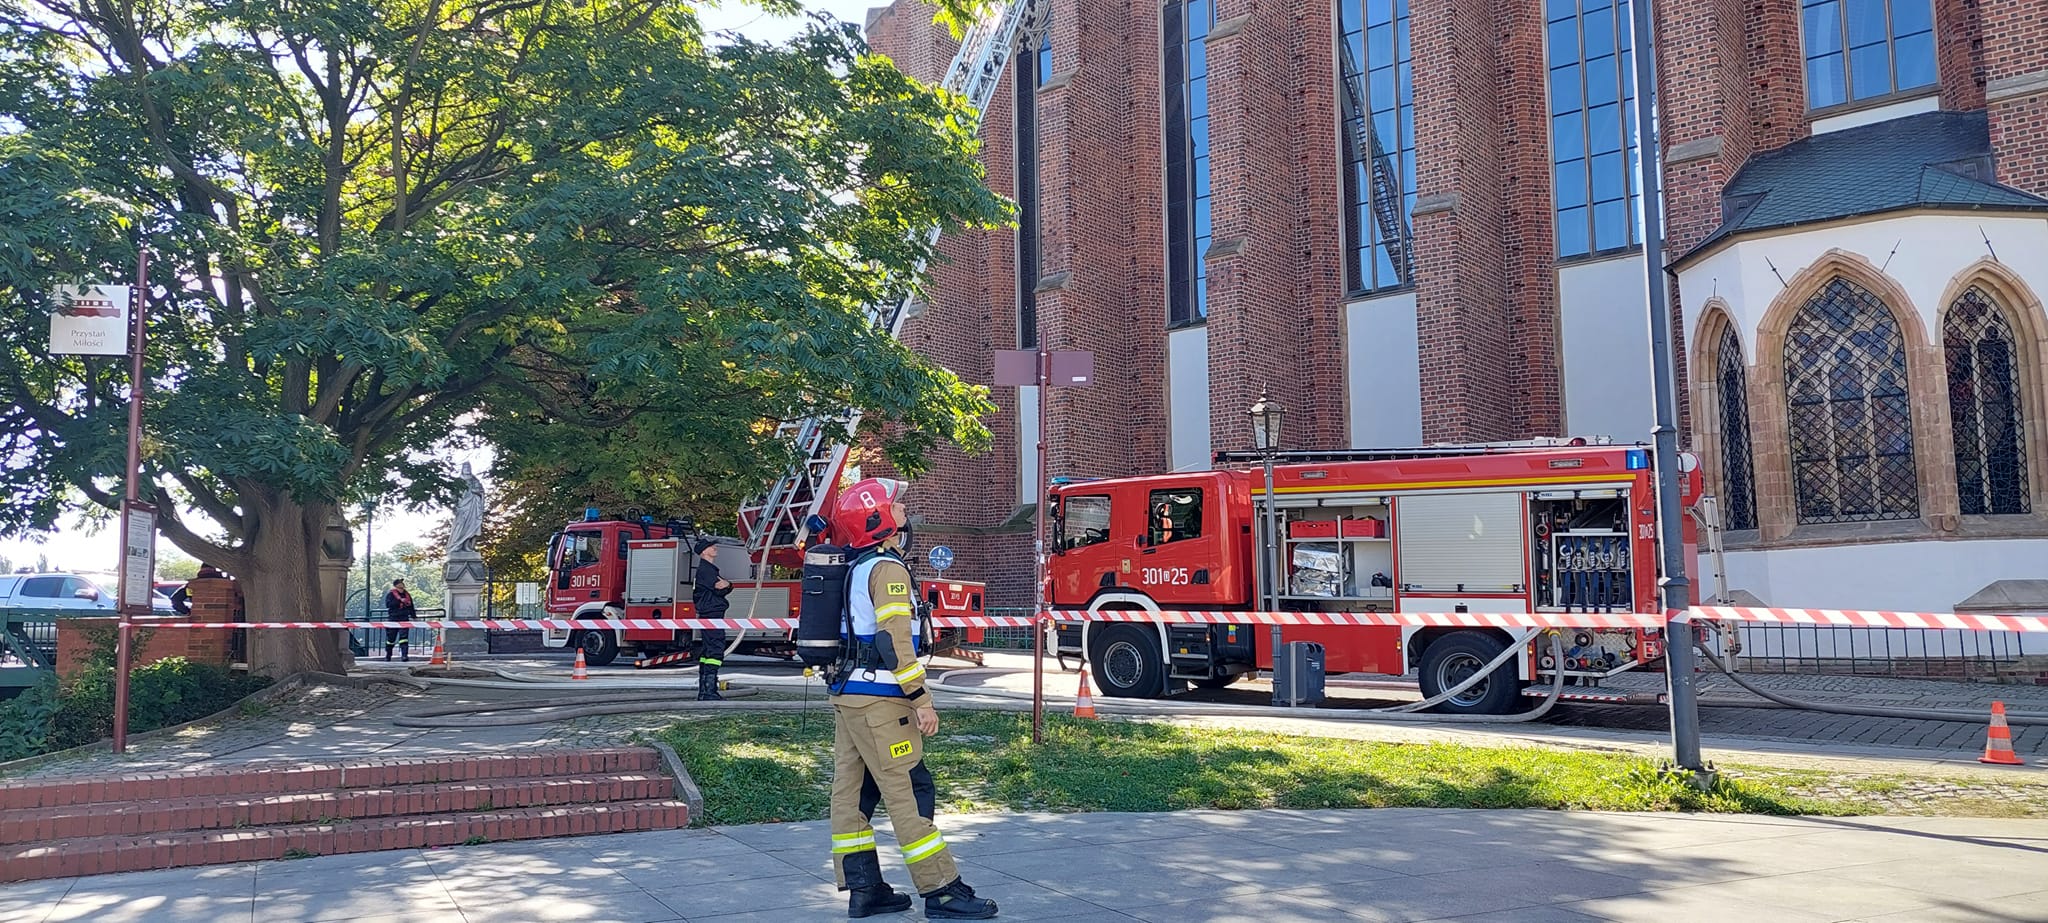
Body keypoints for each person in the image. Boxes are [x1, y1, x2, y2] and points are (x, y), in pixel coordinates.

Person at [826, 478, 997, 920]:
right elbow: (894, 641)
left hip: (850, 696)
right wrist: (921, 698)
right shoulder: (887, 569)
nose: (903, 509)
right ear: (878, 518)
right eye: (896, 505)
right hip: (882, 701)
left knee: (851, 795)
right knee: (908, 791)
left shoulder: (857, 566)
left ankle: (865, 890)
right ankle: (942, 891)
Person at [691, 538, 732, 701]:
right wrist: (728, 585)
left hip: (710, 613)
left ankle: (705, 690)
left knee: (708, 650)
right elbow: (720, 588)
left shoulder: (709, 570)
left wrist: (727, 585)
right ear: (704, 551)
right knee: (715, 649)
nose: (715, 548)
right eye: (711, 546)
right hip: (712, 614)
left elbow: (723, 587)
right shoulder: (706, 570)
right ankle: (709, 690)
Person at [382, 578, 416, 661]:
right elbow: (388, 604)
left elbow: (411, 606)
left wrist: (413, 616)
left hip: (404, 618)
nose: (402, 585)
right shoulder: (391, 594)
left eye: (402, 583)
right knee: (391, 639)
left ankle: (404, 655)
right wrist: (399, 601)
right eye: (400, 583)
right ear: (396, 585)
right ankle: (388, 655)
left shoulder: (407, 594)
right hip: (393, 618)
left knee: (404, 638)